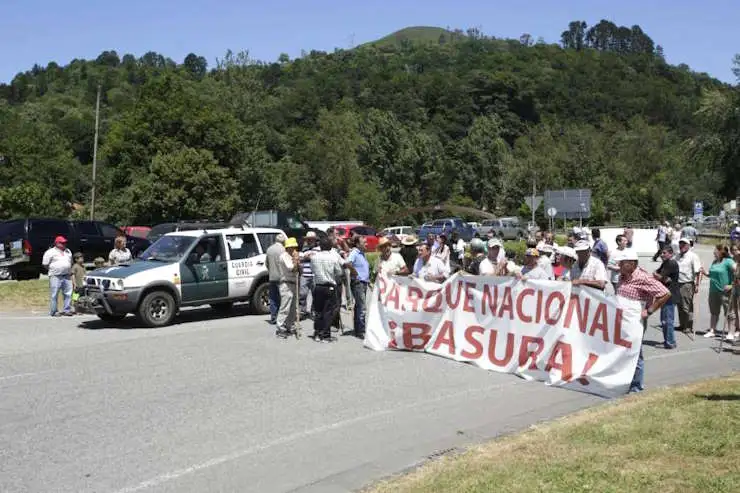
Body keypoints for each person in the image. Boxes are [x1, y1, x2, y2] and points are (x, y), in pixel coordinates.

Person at [617, 250, 671, 393]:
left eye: (622, 263)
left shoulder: (643, 277)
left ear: (632, 263)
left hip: (635, 320)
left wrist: (650, 310)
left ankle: (636, 386)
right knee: (624, 349)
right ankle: (625, 380)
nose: (619, 265)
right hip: (622, 319)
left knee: (635, 350)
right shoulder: (622, 276)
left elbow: (665, 293)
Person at [310, 236, 344, 343]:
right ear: (330, 246)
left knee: (318, 311)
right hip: (329, 285)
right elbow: (339, 272)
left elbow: (312, 270)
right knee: (328, 311)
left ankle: (317, 333)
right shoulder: (333, 258)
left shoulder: (314, 257)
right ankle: (325, 335)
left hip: (318, 286)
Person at [700, 244, 735, 339]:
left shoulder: (728, 261)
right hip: (713, 291)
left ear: (721, 251)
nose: (713, 252)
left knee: (728, 312)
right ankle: (712, 330)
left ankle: (731, 332)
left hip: (725, 292)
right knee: (714, 312)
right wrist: (704, 272)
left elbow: (738, 273)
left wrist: (731, 285)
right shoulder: (714, 262)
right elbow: (711, 275)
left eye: (715, 250)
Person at [654, 246, 680, 348]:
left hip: (670, 295)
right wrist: (658, 276)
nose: (661, 255)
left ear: (670, 254)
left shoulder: (672, 263)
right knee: (664, 320)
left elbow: (663, 278)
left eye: (664, 253)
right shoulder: (664, 263)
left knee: (668, 320)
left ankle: (670, 342)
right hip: (664, 294)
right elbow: (657, 274)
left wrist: (659, 276)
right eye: (661, 253)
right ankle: (667, 340)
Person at [42, 236, 74, 317]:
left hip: (67, 275)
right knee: (54, 294)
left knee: (68, 294)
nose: (64, 244)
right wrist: (54, 269)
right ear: (56, 243)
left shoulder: (68, 251)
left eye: (65, 242)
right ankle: (54, 311)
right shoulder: (50, 252)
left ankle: (67, 310)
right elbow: (45, 264)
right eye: (62, 243)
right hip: (55, 276)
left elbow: (71, 262)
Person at [676, 238, 702, 334]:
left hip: (687, 284)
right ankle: (682, 324)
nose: (681, 246)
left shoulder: (693, 256)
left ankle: (688, 326)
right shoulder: (678, 256)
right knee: (679, 305)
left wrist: (697, 285)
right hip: (677, 283)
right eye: (680, 244)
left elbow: (698, 271)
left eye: (683, 244)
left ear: (688, 245)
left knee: (687, 306)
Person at [275, 237, 300, 338]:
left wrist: (297, 262)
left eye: (294, 247)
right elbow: (292, 269)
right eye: (292, 247)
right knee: (285, 307)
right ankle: (280, 327)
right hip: (286, 284)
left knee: (293, 308)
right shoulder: (285, 256)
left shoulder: (291, 256)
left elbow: (297, 269)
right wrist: (296, 261)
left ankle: (289, 325)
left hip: (293, 283)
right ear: (288, 247)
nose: (294, 249)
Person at [348, 235, 371, 339]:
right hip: (358, 283)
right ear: (357, 244)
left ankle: (359, 328)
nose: (366, 243)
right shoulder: (354, 252)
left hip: (363, 282)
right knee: (361, 307)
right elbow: (348, 263)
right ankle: (360, 331)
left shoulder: (362, 254)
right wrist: (354, 272)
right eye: (364, 242)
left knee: (359, 306)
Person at [265, 233, 287, 325]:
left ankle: (273, 317)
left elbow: (266, 263)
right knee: (283, 299)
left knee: (273, 298)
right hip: (282, 277)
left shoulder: (269, 249)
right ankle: (282, 318)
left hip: (272, 277)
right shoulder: (284, 250)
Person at [299, 231, 320, 319]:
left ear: (315, 240)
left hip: (315, 275)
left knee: (316, 294)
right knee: (302, 294)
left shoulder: (319, 249)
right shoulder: (303, 249)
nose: (310, 241)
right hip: (305, 274)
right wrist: (304, 258)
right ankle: (302, 311)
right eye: (308, 239)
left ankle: (314, 311)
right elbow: (299, 258)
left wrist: (312, 257)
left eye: (311, 239)